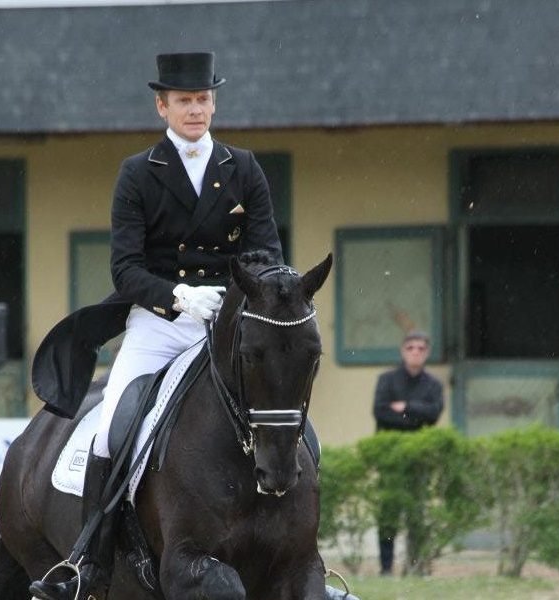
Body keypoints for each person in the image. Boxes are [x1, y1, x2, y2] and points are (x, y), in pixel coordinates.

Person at [30, 52, 354, 600]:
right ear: (163, 106)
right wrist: (178, 295)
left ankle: (303, 556)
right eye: (184, 100)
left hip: (232, 326)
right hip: (159, 325)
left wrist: (251, 293)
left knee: (292, 422)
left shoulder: (243, 168)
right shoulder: (139, 173)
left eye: (203, 99)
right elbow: (125, 268)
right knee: (112, 426)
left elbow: (266, 252)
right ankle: (89, 565)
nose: (196, 109)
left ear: (213, 104)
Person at [372, 330, 444, 576]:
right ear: (403, 351)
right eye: (411, 347)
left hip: (419, 456)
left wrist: (405, 407)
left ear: (427, 353)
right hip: (390, 456)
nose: (415, 352)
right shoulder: (387, 380)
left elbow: (434, 414)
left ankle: (414, 566)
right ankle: (386, 567)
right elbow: (381, 412)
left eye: (421, 348)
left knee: (416, 512)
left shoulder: (433, 385)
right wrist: (415, 416)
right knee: (388, 513)